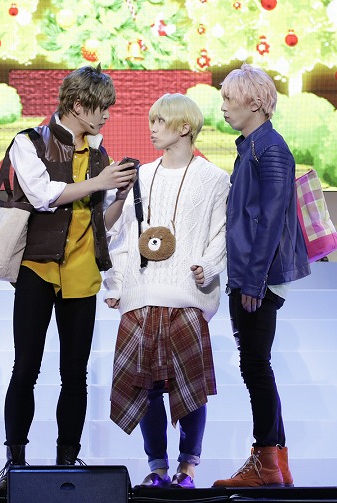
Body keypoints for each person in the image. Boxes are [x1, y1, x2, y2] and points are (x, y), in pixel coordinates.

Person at [0, 65, 137, 488]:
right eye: (101, 107)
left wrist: (119, 195)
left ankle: (66, 461)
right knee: (26, 366)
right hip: (37, 269)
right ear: (78, 105)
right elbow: (43, 196)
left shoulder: (99, 155)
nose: (106, 115)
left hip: (82, 271)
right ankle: (15, 462)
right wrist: (99, 182)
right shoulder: (30, 142)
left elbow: (101, 223)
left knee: (75, 374)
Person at [103, 94, 229, 489]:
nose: (152, 128)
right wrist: (116, 282)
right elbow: (124, 235)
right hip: (142, 292)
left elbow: (221, 233)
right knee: (145, 385)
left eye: (160, 121)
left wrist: (208, 266)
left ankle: (187, 469)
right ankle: (157, 468)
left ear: (184, 127)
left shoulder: (214, 178)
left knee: (189, 384)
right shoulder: (140, 176)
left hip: (187, 294)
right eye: (152, 121)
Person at [212, 64, 310, 488]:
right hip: (250, 272)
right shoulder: (253, 146)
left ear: (254, 102)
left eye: (229, 99)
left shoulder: (270, 148)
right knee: (256, 365)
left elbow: (270, 219)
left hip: (259, 275)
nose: (223, 106)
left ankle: (266, 463)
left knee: (255, 366)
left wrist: (252, 281)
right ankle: (276, 464)